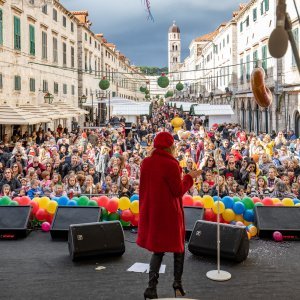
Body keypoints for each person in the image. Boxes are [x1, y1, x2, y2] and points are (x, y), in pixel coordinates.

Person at [137, 131, 201, 299]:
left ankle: (151, 288)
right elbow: (178, 190)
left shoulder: (146, 162)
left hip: (154, 211)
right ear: (170, 146)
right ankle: (177, 284)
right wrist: (189, 177)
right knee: (178, 248)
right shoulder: (171, 164)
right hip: (170, 213)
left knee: (158, 251)